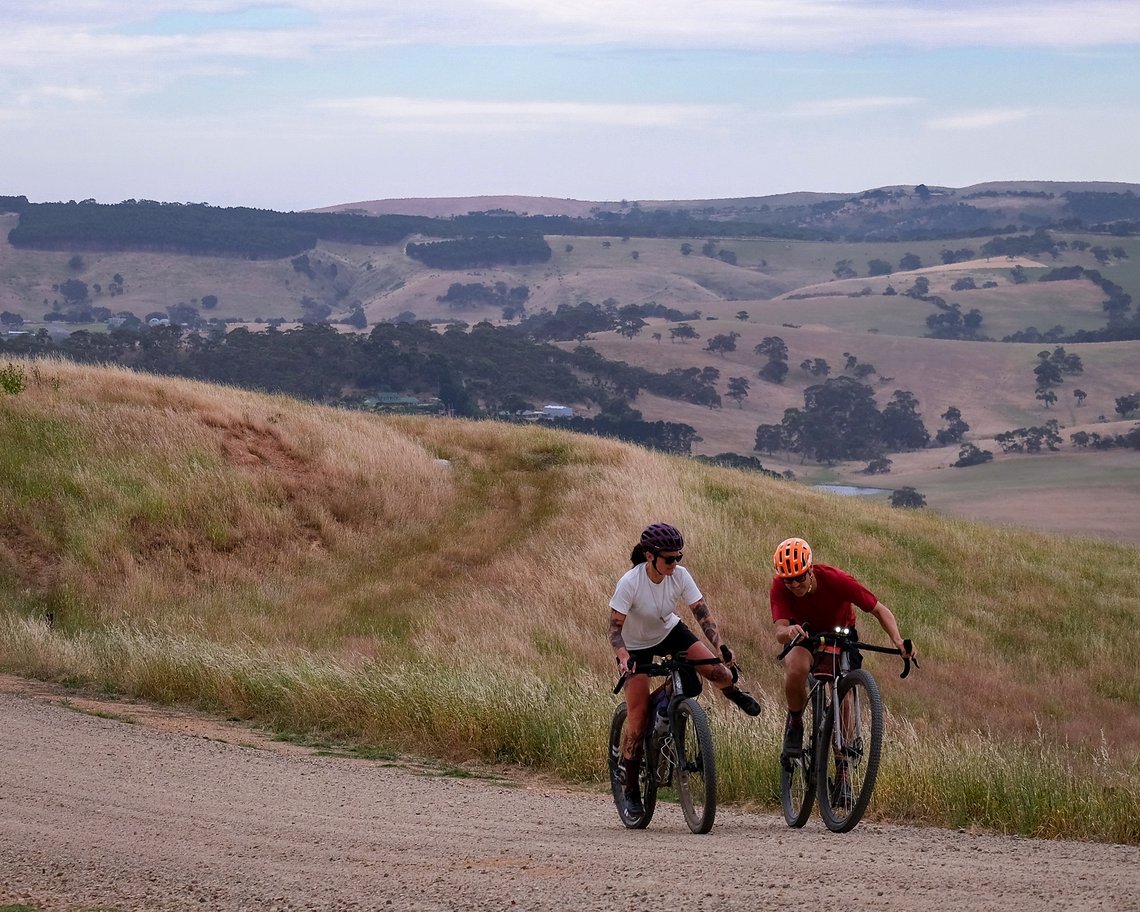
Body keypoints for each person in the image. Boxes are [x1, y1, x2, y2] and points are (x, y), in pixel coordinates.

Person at [609, 521, 761, 817]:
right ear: (650, 556)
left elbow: (701, 613)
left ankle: (733, 694)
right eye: (669, 558)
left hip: (668, 631)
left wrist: (720, 647)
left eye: (679, 557)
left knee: (717, 673)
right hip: (635, 645)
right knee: (638, 721)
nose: (675, 563)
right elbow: (614, 630)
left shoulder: (679, 576)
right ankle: (630, 788)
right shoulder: (630, 582)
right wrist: (624, 657)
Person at [770, 537, 917, 758]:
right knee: (795, 669)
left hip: (840, 635)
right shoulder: (779, 587)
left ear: (810, 570)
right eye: (788, 580)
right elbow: (780, 631)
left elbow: (879, 609)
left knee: (844, 696)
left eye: (799, 577)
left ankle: (843, 770)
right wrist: (790, 632)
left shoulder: (836, 580)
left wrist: (897, 641)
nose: (794, 585)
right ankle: (796, 722)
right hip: (805, 636)